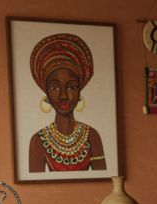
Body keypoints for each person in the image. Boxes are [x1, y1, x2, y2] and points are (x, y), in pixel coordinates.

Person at [28, 34, 106, 172]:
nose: (63, 96)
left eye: (71, 87)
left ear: (80, 91)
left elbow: (103, 179)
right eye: (54, 88)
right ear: (45, 91)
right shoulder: (38, 140)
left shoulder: (92, 136)